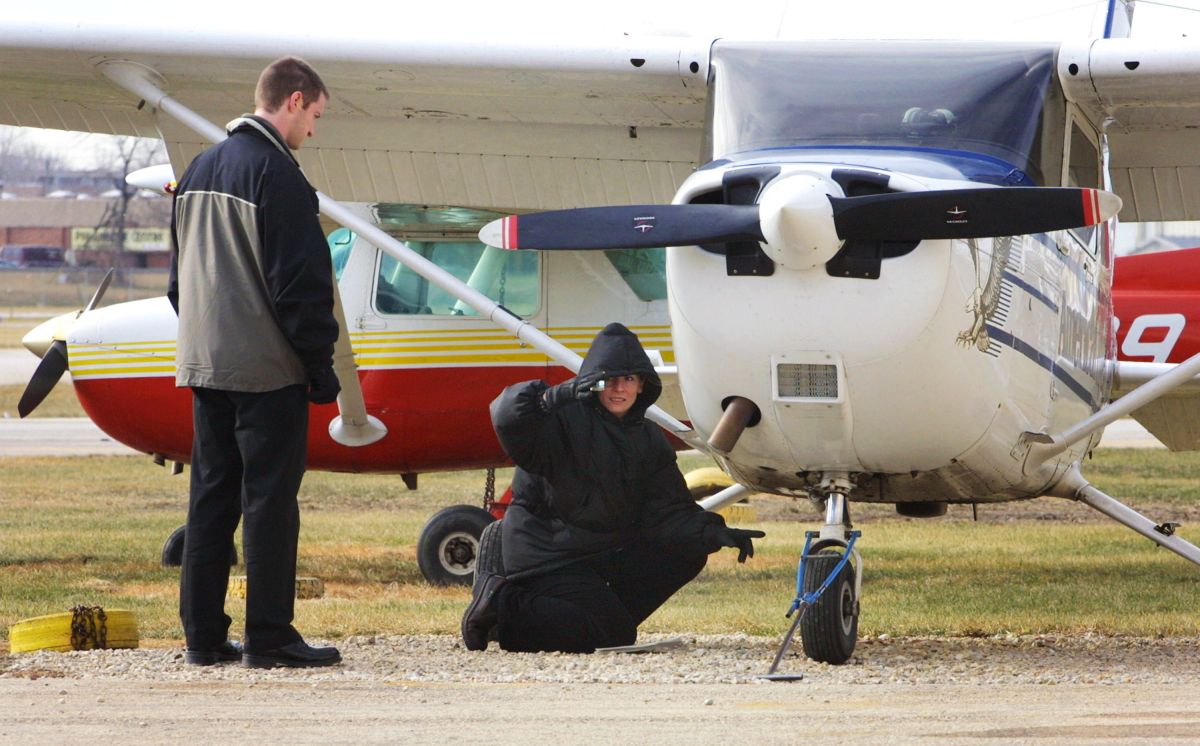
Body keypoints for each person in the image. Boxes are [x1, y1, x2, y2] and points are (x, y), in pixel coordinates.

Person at [168, 56, 342, 668]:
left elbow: (176, 283)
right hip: (267, 371)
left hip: (202, 363)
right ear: (294, 101)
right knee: (269, 501)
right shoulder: (279, 176)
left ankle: (203, 638)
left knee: (211, 497)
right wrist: (321, 368)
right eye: (315, 115)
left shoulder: (198, 169)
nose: (313, 130)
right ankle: (270, 637)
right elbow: (301, 287)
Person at [462, 322, 765, 652]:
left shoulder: (648, 437)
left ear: (642, 386)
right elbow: (507, 415)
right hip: (548, 553)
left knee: (687, 553)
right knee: (613, 634)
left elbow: (669, 510)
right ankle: (502, 602)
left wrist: (713, 533)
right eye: (609, 380)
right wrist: (554, 396)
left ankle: (597, 620)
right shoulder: (561, 418)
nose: (619, 388)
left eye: (629, 379)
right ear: (593, 382)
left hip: (601, 548)